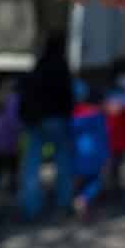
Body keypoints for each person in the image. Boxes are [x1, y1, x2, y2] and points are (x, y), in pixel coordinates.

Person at [19, 33, 75, 219]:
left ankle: (30, 208)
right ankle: (63, 204)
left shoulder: (37, 67)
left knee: (32, 165)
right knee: (63, 162)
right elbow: (68, 96)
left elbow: (25, 94)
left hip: (35, 121)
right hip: (57, 119)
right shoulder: (62, 68)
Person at [70, 80, 110, 218]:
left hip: (79, 154)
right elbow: (104, 136)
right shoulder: (99, 115)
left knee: (80, 182)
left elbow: (71, 133)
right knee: (95, 181)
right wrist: (106, 156)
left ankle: (78, 201)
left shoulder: (75, 114)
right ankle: (84, 201)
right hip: (96, 155)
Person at [103, 73, 125, 194]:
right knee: (117, 166)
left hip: (111, 138)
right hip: (120, 139)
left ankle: (111, 188)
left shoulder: (110, 98)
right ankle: (115, 189)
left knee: (113, 166)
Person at [0, 83, 22, 198]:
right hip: (10, 143)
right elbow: (14, 123)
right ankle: (11, 196)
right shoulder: (13, 99)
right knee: (12, 171)